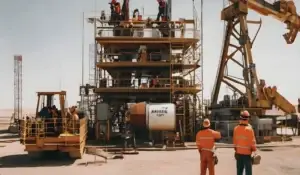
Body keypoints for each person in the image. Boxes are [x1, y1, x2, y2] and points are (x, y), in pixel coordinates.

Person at [233, 110, 257, 175]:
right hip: (247, 154)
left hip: (238, 153)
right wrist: (254, 150)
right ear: (247, 118)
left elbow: (234, 142)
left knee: (239, 171)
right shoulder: (249, 129)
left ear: (241, 118)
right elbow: (252, 142)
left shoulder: (236, 129)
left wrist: (236, 149)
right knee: (248, 172)